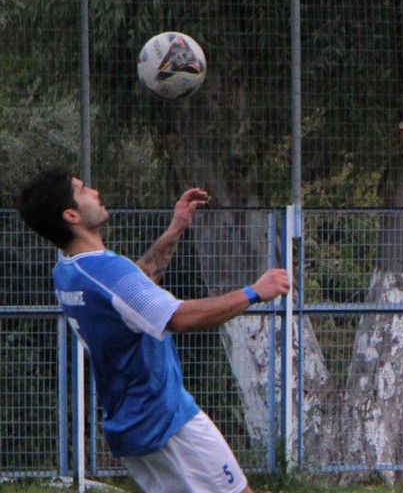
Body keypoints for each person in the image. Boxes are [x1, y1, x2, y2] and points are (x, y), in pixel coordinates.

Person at [16, 166, 290, 493]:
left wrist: (175, 229)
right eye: (83, 189)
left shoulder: (67, 271)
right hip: (166, 419)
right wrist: (254, 292)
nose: (95, 192)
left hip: (129, 424)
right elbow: (179, 317)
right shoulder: (106, 270)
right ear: (72, 214)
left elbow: (138, 286)